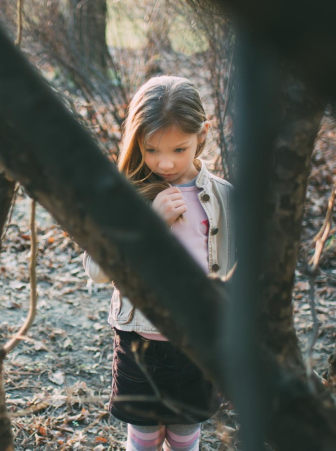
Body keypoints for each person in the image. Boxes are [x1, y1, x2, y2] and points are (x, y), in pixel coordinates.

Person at [82, 76, 235, 451]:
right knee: (144, 437)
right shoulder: (125, 195)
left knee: (185, 436)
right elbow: (97, 270)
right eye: (151, 150)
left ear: (203, 134)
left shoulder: (225, 197)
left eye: (179, 149)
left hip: (198, 345)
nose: (165, 163)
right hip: (140, 344)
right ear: (137, 141)